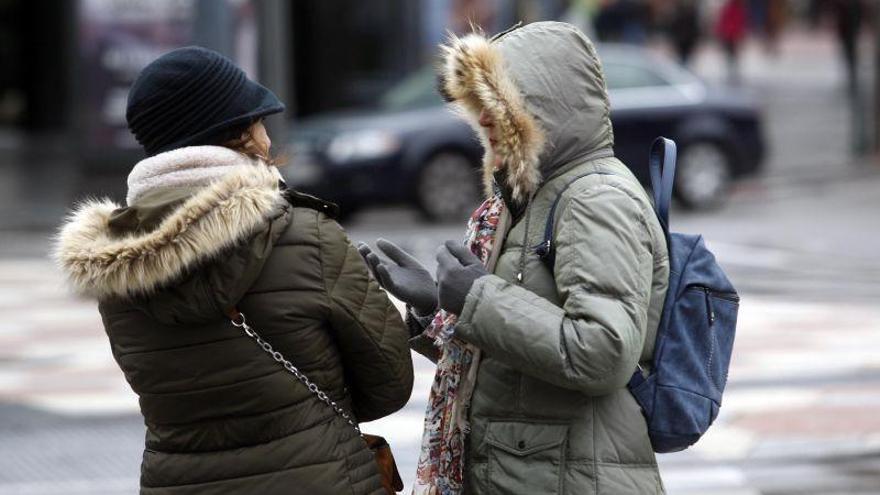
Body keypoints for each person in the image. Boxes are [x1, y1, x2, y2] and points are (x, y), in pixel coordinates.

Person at [53, 46, 413, 495]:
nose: (266, 136)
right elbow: (389, 386)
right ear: (239, 133)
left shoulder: (115, 265)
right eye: (258, 121)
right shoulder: (306, 235)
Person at [360, 21, 669, 494]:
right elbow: (512, 362)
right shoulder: (528, 200)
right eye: (477, 106)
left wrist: (478, 297)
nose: (482, 119)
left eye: (496, 103)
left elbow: (603, 352)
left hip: (575, 477)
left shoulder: (595, 198)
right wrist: (436, 308)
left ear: (543, 106)